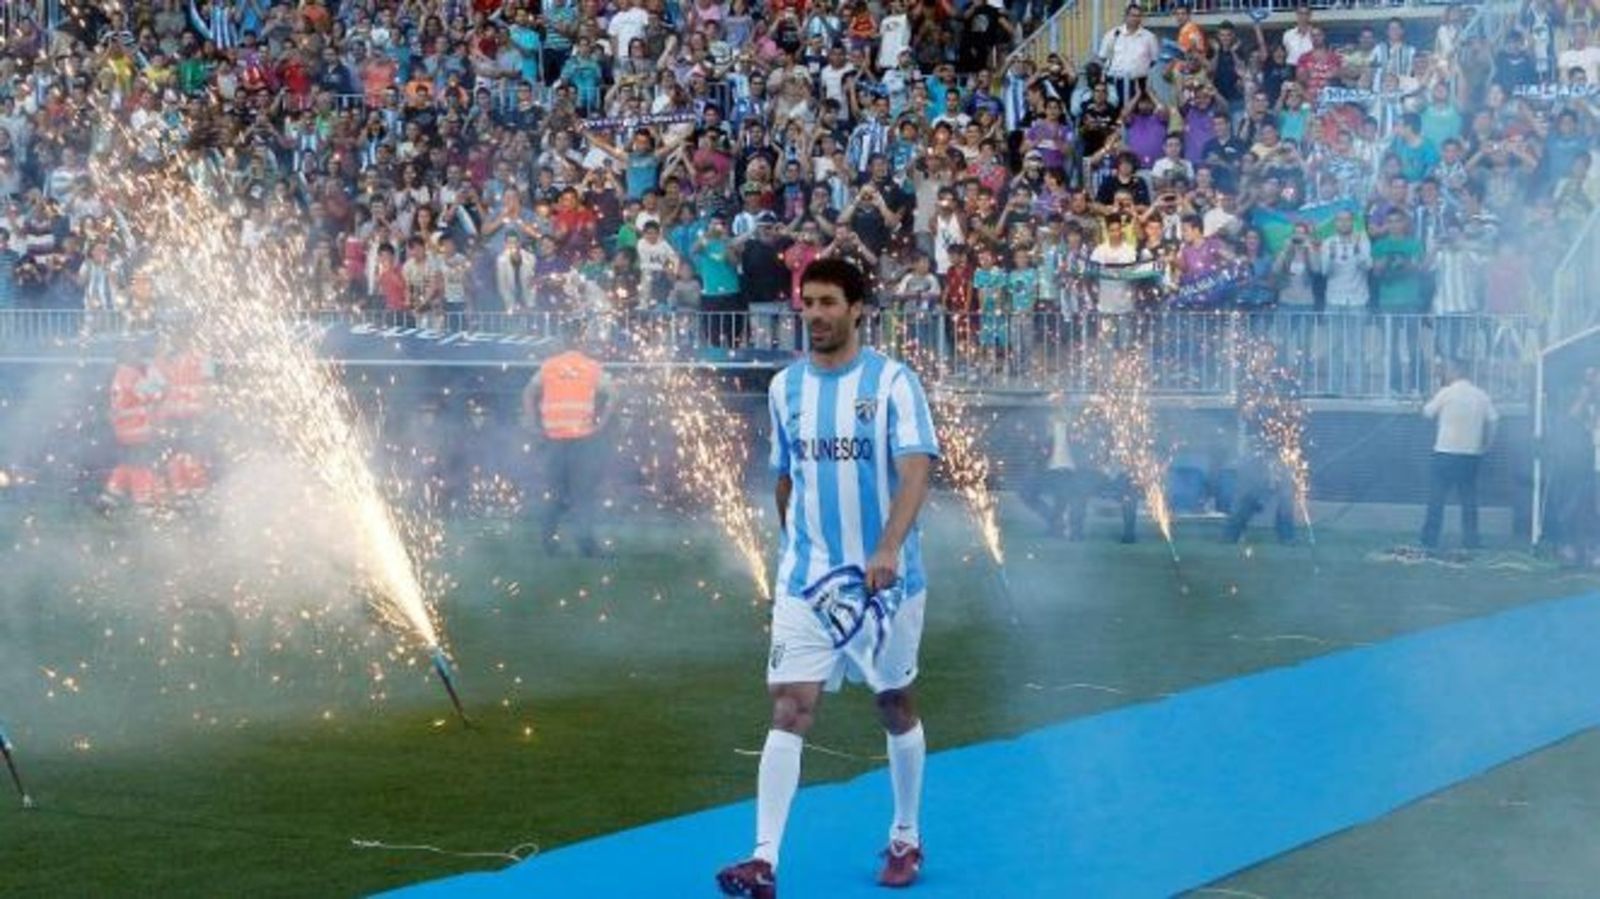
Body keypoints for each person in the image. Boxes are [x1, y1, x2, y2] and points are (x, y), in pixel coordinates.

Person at [717, 258, 940, 898]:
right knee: (790, 706)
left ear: (857, 308)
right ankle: (763, 860)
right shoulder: (785, 388)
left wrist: (889, 547)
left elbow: (917, 469)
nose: (814, 315)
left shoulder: (895, 383)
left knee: (894, 704)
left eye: (827, 303)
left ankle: (905, 834)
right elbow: (784, 477)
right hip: (808, 582)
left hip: (887, 585)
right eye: (807, 303)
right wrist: (795, 548)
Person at [520, 342, 614, 556]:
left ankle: (548, 543)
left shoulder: (549, 366)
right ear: (583, 347)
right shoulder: (592, 367)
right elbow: (613, 394)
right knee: (582, 493)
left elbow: (528, 393)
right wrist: (602, 423)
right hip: (582, 440)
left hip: (554, 440)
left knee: (556, 494)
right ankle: (586, 544)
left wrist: (534, 423)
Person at [1420, 358, 1498, 550]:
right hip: (1470, 455)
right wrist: (1487, 443)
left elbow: (1427, 412)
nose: (1444, 373)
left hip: (1445, 453)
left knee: (1437, 499)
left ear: (1454, 371)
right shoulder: (1481, 395)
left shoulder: (1446, 393)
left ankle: (1430, 539)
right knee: (1469, 500)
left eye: (1446, 369)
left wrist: (1433, 392)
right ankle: (1471, 541)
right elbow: (1494, 420)